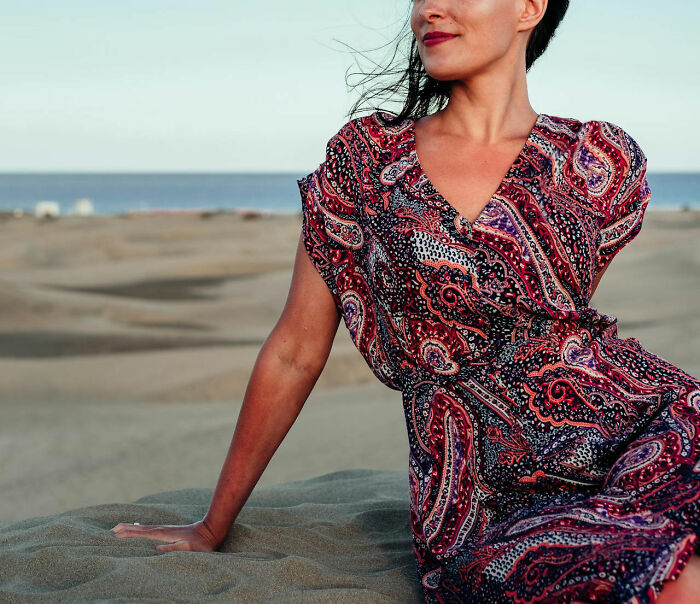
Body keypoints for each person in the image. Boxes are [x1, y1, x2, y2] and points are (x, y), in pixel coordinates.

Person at [111, 0, 700, 601]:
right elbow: (295, 351)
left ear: (529, 8)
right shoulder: (366, 160)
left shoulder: (597, 159)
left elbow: (553, 335)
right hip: (480, 487)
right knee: (660, 578)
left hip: (652, 424)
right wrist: (214, 523)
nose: (429, 8)